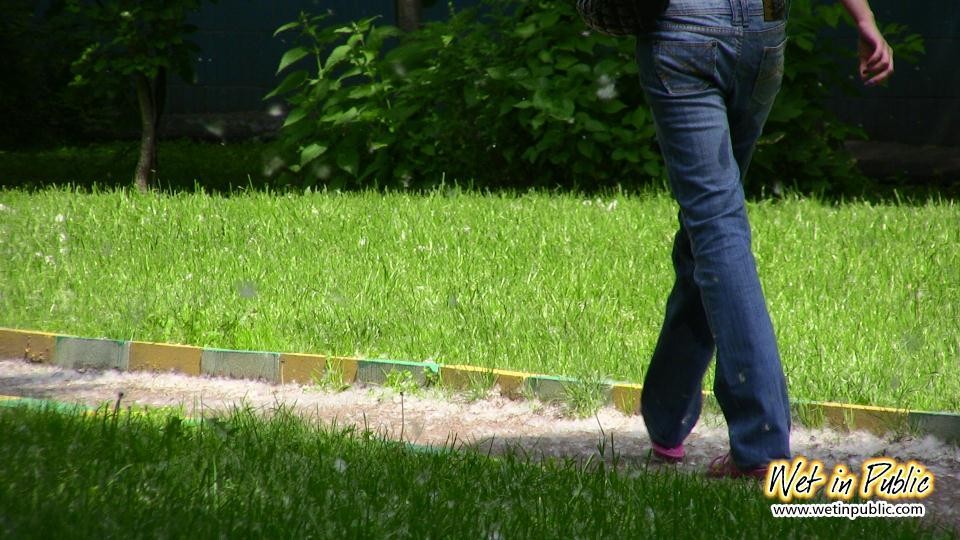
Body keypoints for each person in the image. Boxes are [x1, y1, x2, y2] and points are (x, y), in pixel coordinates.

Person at [634, 0, 893, 477]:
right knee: (708, 228)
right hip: (762, 30)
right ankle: (667, 418)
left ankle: (761, 445)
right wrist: (864, 19)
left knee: (716, 230)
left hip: (685, 28)